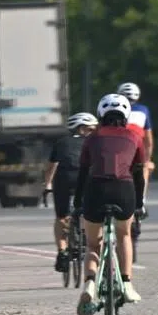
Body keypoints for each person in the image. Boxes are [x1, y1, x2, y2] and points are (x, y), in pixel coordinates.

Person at [73, 93, 147, 315]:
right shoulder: (135, 137)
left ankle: (89, 283)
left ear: (101, 114)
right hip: (123, 190)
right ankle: (126, 283)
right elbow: (139, 174)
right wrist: (139, 202)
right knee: (124, 235)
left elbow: (83, 174)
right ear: (125, 115)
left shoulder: (91, 138)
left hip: (95, 190)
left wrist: (78, 203)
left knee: (93, 245)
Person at [43, 112, 98, 273]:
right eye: (90, 129)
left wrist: (47, 185)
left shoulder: (61, 142)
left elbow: (51, 167)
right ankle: (84, 236)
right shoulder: (94, 142)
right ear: (81, 129)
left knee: (61, 216)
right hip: (87, 177)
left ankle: (62, 252)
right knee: (88, 211)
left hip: (64, 179)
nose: (93, 132)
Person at [117, 81, 155, 265]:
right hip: (137, 152)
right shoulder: (143, 110)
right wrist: (148, 159)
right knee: (144, 170)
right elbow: (148, 139)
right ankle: (142, 201)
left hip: (119, 154)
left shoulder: (115, 108)